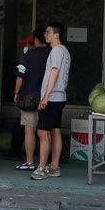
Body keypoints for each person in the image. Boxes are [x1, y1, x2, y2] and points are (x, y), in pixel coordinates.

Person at [31, 21, 71, 180]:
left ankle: (41, 167)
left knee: (42, 132)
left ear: (56, 35)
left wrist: (45, 96)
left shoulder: (56, 51)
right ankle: (54, 167)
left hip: (52, 97)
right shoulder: (64, 51)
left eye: (48, 32)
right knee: (55, 131)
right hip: (59, 97)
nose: (45, 35)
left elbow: (54, 72)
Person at [13, 27, 49, 171]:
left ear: (35, 39)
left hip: (29, 96)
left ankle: (29, 162)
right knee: (47, 131)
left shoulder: (29, 55)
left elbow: (20, 74)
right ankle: (45, 162)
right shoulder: (52, 53)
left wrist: (16, 92)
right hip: (47, 97)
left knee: (29, 130)